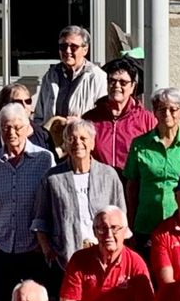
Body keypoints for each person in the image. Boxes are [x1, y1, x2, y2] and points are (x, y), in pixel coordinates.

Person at [0, 103, 56, 301]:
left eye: (17, 127)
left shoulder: (44, 159)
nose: (11, 133)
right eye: (6, 127)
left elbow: (51, 204)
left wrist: (44, 241)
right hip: (1, 245)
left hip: (33, 247)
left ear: (28, 128)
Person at [32, 119, 126, 286]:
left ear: (92, 143)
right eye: (72, 138)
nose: (77, 143)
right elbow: (41, 218)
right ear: (66, 144)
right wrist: (47, 250)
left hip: (103, 255)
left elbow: (121, 219)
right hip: (66, 257)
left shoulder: (109, 175)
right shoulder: (52, 178)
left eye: (83, 138)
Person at [59, 206, 155, 301]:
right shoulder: (79, 260)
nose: (109, 234)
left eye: (115, 228)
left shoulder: (136, 263)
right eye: (103, 228)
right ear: (95, 232)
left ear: (125, 231)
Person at [125, 87, 180, 253]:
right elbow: (131, 189)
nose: (167, 114)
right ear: (154, 112)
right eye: (162, 109)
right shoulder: (139, 145)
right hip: (146, 225)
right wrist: (129, 225)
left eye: (173, 109)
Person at [82, 57, 156, 170]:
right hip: (100, 183)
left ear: (133, 86)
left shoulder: (147, 120)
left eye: (123, 82)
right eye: (112, 81)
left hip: (133, 184)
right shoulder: (90, 118)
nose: (117, 86)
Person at [33, 25, 107, 124]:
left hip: (81, 136)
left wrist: (81, 121)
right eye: (63, 46)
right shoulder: (51, 75)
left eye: (74, 47)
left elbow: (103, 116)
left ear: (85, 50)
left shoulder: (96, 77)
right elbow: (39, 115)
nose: (68, 51)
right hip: (52, 137)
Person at [0, 83, 52, 155]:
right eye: (18, 102)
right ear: (4, 105)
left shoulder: (43, 134)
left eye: (28, 101)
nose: (24, 105)